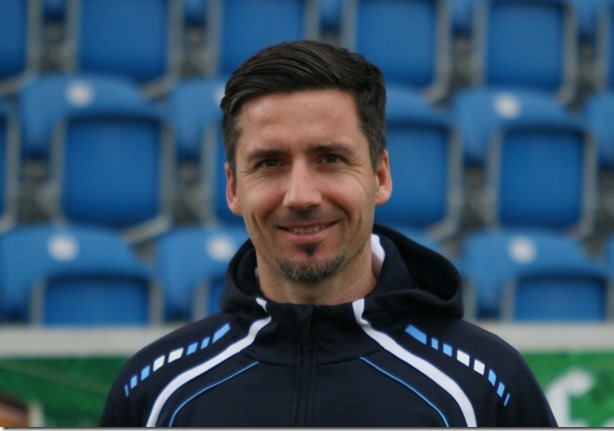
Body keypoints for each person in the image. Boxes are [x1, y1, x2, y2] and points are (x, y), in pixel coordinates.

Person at [100, 40, 558, 427]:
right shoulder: (153, 390)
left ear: (380, 176)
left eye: (331, 159)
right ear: (234, 188)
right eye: (269, 163)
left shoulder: (487, 386)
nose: (301, 195)